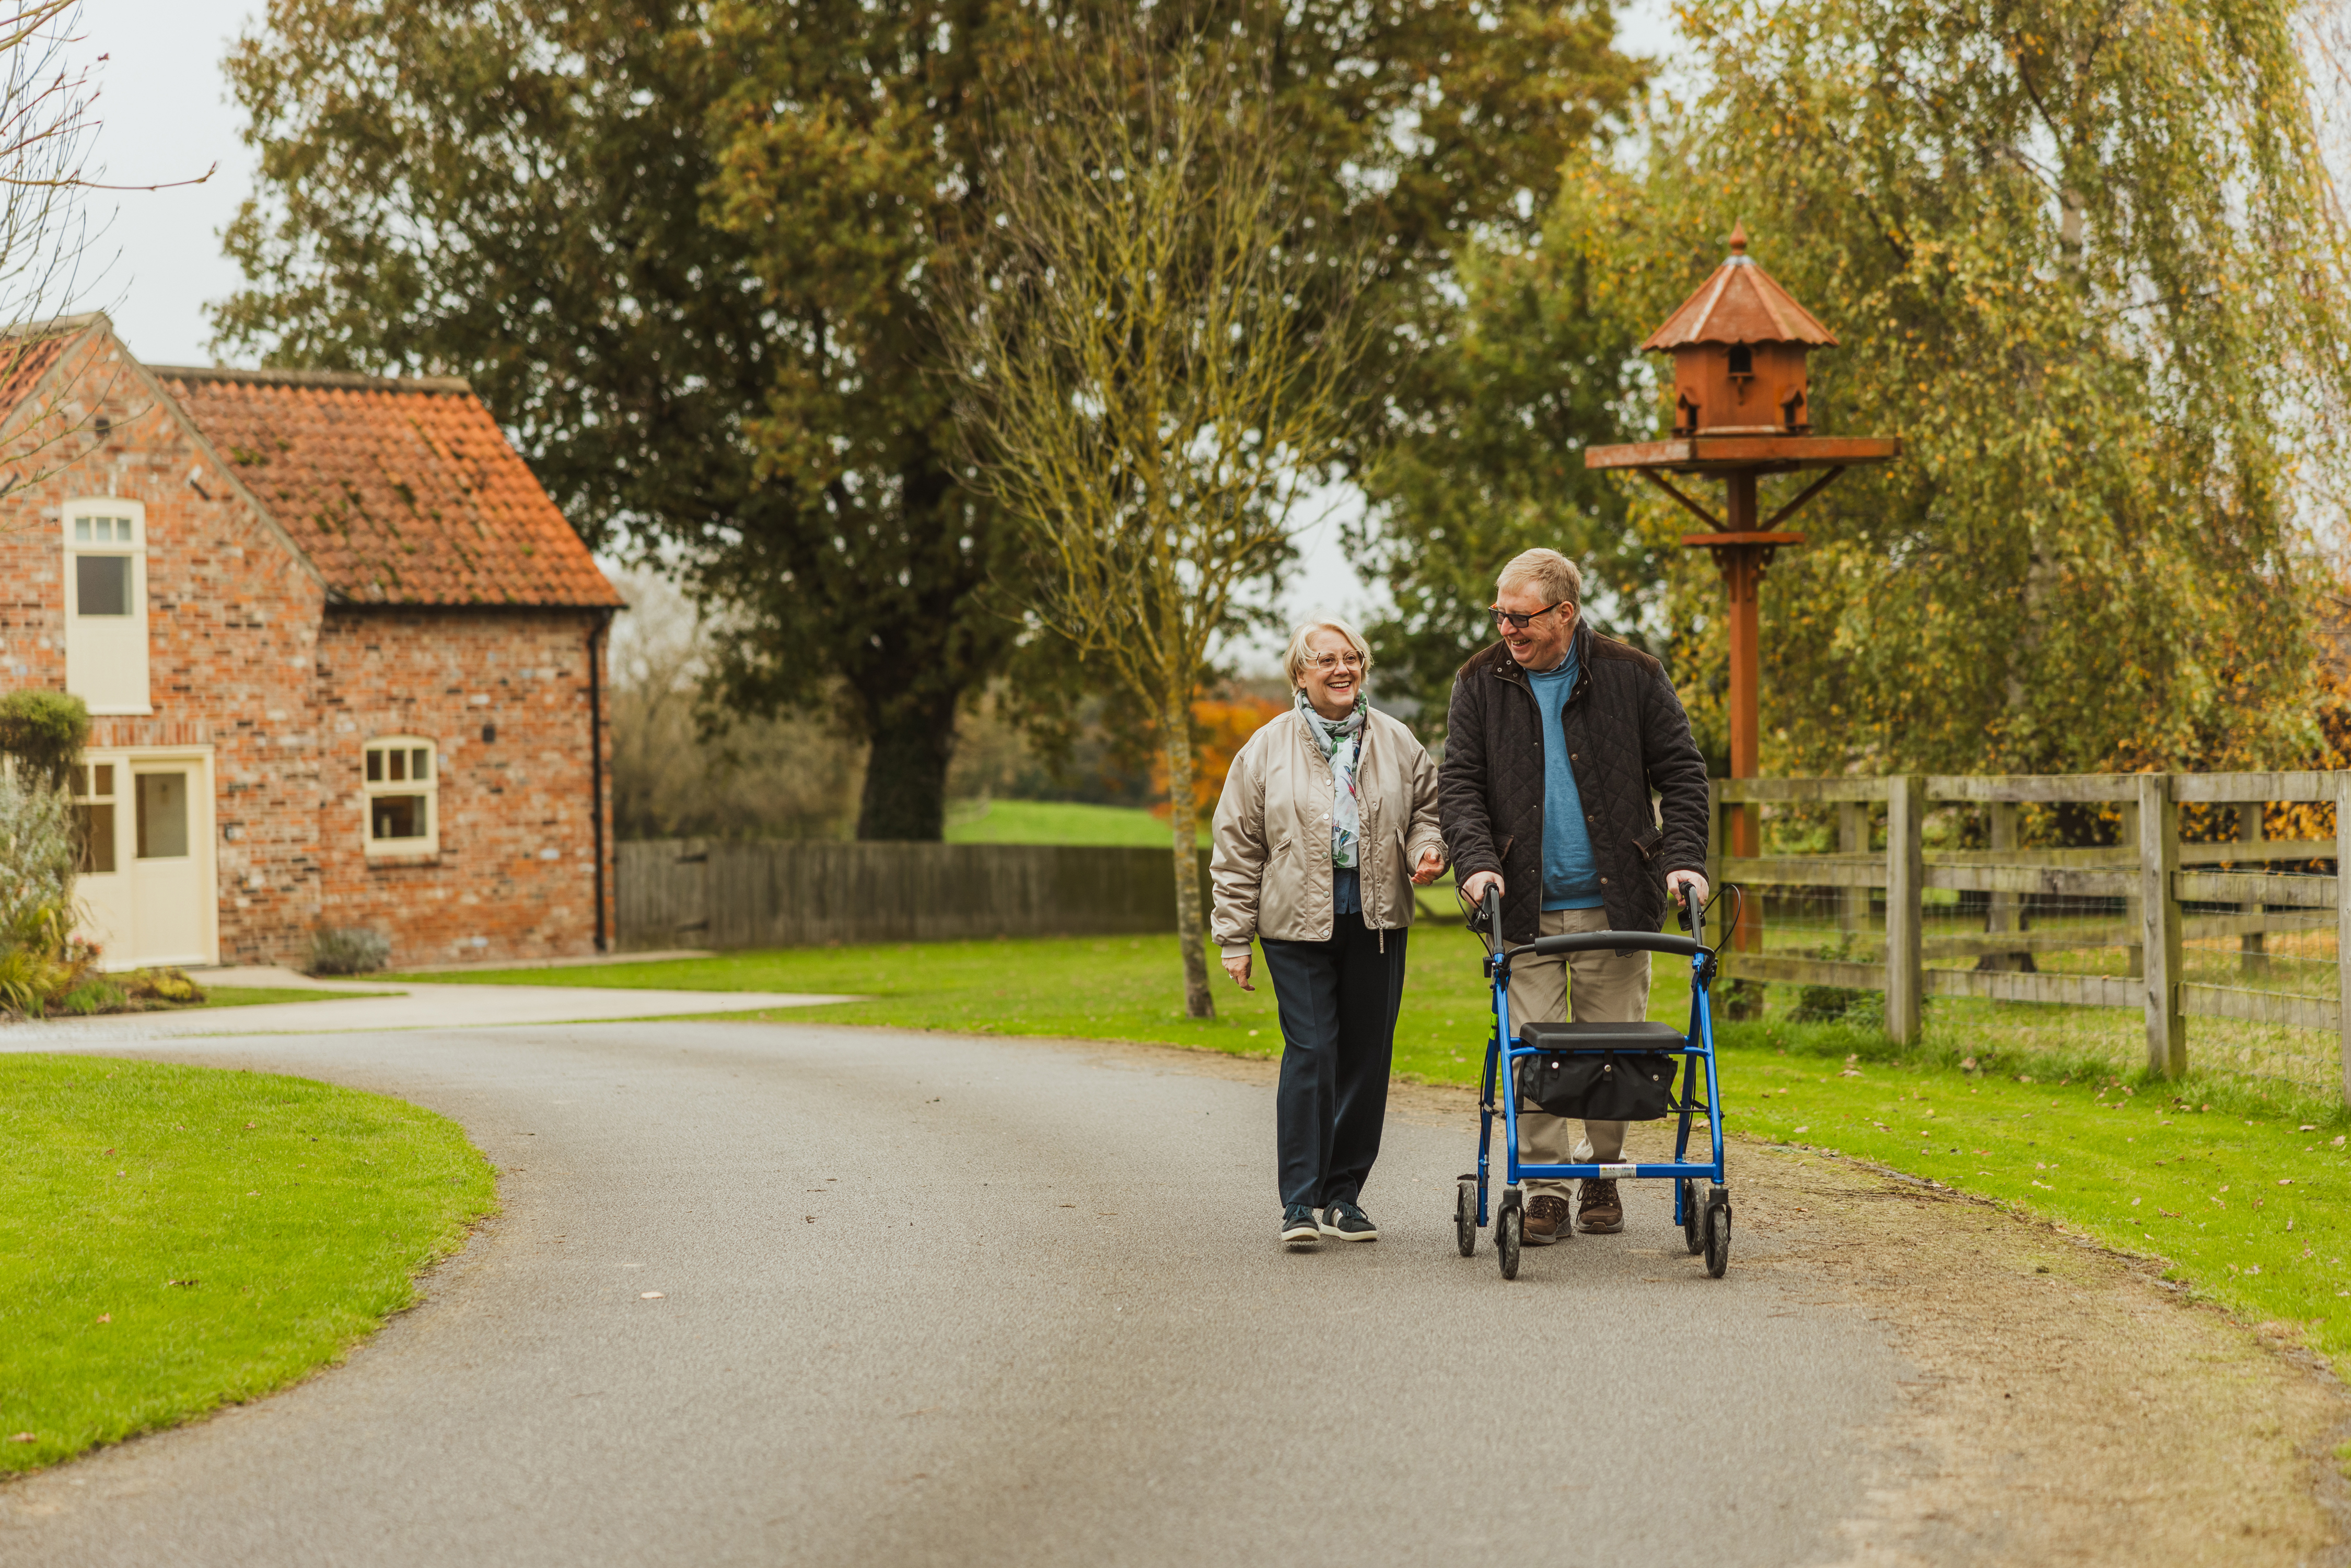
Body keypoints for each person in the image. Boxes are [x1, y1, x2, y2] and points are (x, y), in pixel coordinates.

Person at [1440, 548, 1710, 1242]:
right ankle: (1547, 1191)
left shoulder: (1634, 675)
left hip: (1617, 903)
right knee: (1536, 1053)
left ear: (1565, 612)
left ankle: (1604, 1175)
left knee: (1611, 1049)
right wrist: (1473, 864)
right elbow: (1461, 785)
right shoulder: (1478, 680)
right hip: (1521, 905)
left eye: (1521, 616)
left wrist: (1684, 861)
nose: (1508, 628)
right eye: (1500, 613)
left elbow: (1682, 774)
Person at [1211, 617, 1448, 1250]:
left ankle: (1343, 1196)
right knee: (1313, 1051)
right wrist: (1234, 937)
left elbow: (1430, 810)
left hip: (1377, 921)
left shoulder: (1398, 741)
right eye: (1326, 661)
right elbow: (1237, 846)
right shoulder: (1265, 748)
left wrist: (1429, 850)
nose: (1342, 670)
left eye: (1352, 659)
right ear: (1301, 674)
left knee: (1367, 1059)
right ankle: (1298, 1202)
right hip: (1294, 925)